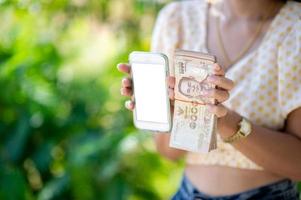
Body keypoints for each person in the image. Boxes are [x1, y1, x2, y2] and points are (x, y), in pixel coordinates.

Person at [118, 0, 301, 199]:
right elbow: (167, 152)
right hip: (187, 193)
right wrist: (177, 113)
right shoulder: (178, 19)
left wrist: (225, 122)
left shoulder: (295, 27)